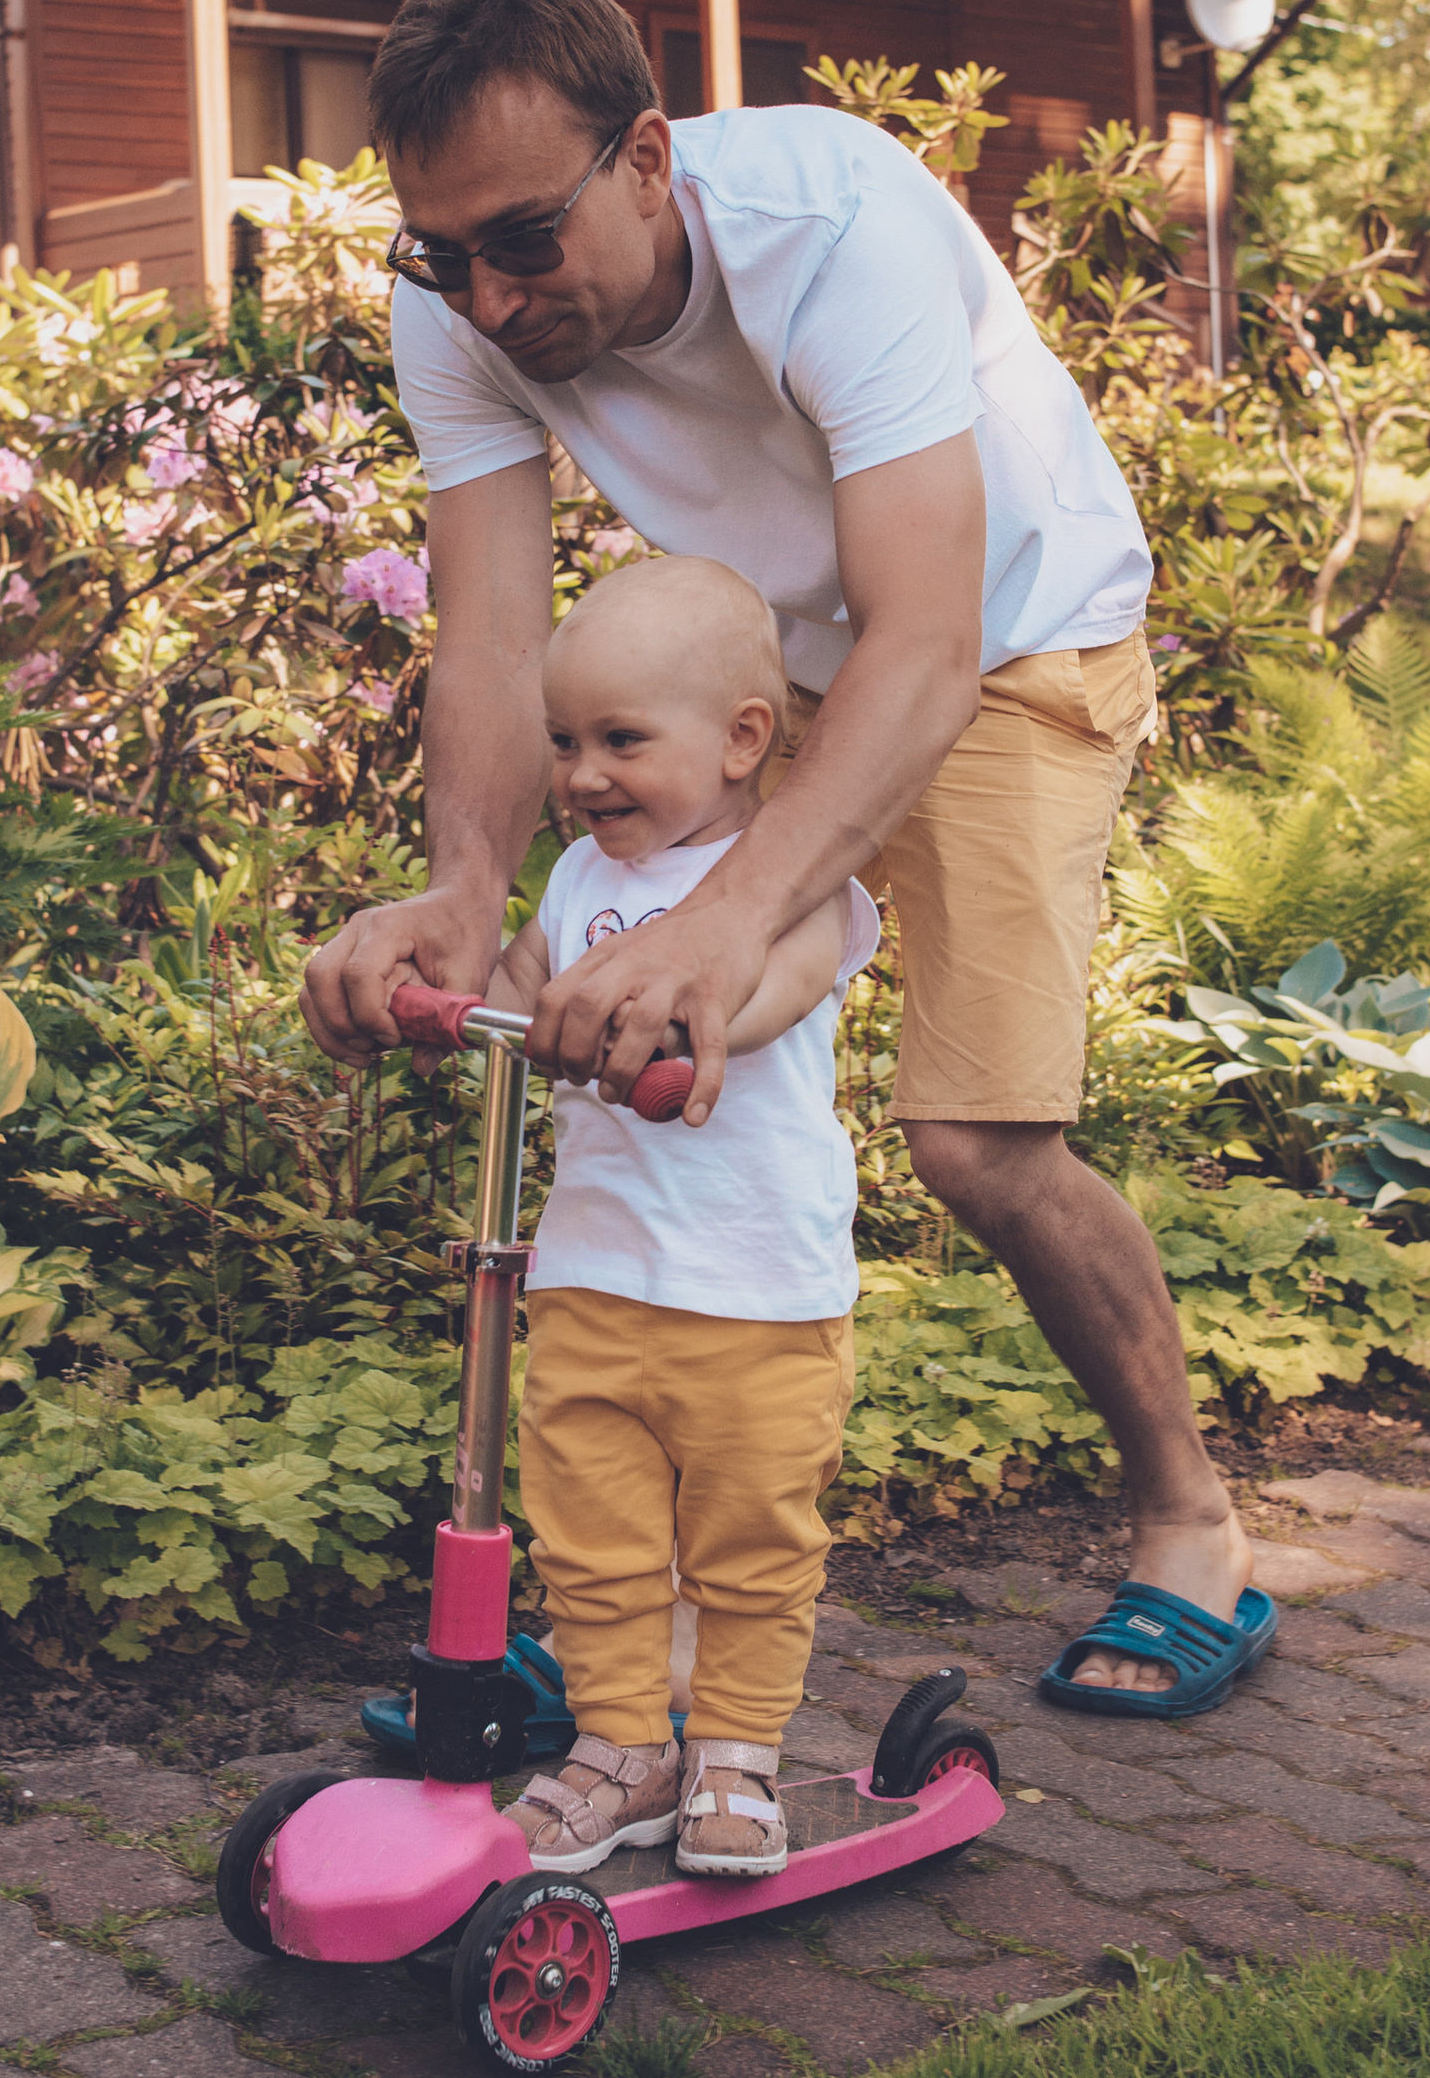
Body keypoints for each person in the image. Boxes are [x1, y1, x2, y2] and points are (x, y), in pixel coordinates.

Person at [304, 0, 1271, 1716]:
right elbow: (494, 638)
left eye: (529, 242)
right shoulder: (456, 309)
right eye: (447, 256)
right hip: (764, 662)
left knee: (979, 1144)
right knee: (622, 1077)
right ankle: (632, 1615)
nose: (497, 302)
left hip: (1005, 637)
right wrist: (457, 893)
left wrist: (731, 918)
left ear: (649, 159)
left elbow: (926, 640)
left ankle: (1191, 1522)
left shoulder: (833, 225)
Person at [476, 553, 879, 1874]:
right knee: (592, 1538)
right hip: (594, 1277)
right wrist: (464, 983)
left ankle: (738, 1758)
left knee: (751, 1543)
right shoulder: (577, 879)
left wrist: (667, 1034)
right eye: (564, 741)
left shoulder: (797, 890)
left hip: (757, 1292)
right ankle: (621, 1746)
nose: (582, 774)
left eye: (620, 741)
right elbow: (526, 981)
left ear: (741, 739)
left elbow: (758, 1007)